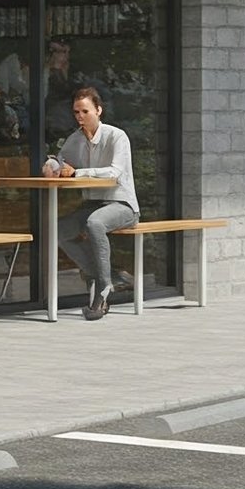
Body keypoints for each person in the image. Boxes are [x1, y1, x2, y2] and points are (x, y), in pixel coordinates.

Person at [44, 84, 139, 321]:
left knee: (94, 223)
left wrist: (77, 173)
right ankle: (104, 275)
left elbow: (115, 173)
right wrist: (52, 167)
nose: (80, 117)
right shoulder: (75, 139)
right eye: (76, 112)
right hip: (92, 204)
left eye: (85, 111)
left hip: (122, 204)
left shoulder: (117, 136)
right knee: (57, 230)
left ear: (98, 110)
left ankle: (104, 291)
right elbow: (60, 161)